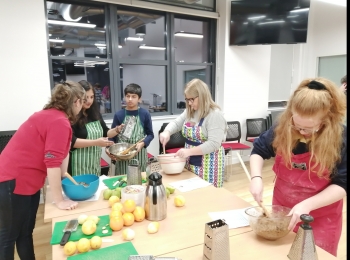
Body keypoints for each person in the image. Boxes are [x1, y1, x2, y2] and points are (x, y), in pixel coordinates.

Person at [249, 77, 347, 256]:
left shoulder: (341, 139)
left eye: (308, 129)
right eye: (296, 125)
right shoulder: (284, 126)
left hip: (320, 218)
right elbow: (258, 150)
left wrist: (308, 204)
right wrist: (256, 178)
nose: (300, 132)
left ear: (327, 120)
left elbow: (343, 184)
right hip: (282, 213)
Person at [0, 81, 86, 259]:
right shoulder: (58, 121)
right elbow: (53, 163)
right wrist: (59, 200)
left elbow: (61, 168)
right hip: (12, 180)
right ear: (76, 101)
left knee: (25, 233)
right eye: (83, 101)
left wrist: (67, 140)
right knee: (8, 237)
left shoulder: (57, 119)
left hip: (27, 182)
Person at [159, 79, 227, 188]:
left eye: (191, 100)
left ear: (202, 96)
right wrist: (166, 132)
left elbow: (214, 143)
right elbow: (177, 123)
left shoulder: (215, 115)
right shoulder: (190, 111)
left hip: (209, 164)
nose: (189, 103)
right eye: (187, 100)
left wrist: (189, 152)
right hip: (190, 160)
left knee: (207, 196)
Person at [68, 80, 118, 176]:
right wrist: (96, 142)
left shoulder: (95, 113)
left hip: (93, 162)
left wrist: (117, 130)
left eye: (92, 97)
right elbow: (72, 142)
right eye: (86, 98)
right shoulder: (71, 116)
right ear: (78, 98)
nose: (89, 101)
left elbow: (105, 132)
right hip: (77, 164)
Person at [107, 83, 154, 174]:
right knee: (123, 181)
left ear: (139, 99)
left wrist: (143, 143)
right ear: (124, 97)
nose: (130, 99)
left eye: (133, 96)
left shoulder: (144, 114)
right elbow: (111, 137)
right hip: (122, 155)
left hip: (139, 153)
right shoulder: (119, 115)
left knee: (140, 181)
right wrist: (108, 148)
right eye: (128, 96)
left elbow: (150, 134)